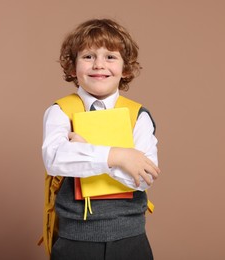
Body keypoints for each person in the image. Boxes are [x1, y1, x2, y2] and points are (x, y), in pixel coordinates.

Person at [42, 18, 160, 260]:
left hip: (130, 239)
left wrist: (87, 155)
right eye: (88, 57)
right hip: (75, 240)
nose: (99, 65)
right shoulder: (60, 111)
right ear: (72, 67)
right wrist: (117, 156)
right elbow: (55, 158)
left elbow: (144, 178)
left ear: (125, 68)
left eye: (110, 57)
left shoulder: (138, 116)